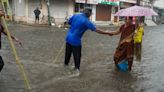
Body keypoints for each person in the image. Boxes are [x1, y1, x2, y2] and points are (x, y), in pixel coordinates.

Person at [64, 8, 111, 76]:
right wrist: (107, 33)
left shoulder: (76, 15)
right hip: (76, 42)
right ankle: (76, 72)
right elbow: (97, 30)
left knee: (67, 57)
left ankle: (65, 68)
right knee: (77, 58)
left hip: (68, 38)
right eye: (91, 14)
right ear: (89, 14)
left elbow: (69, 22)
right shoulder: (87, 21)